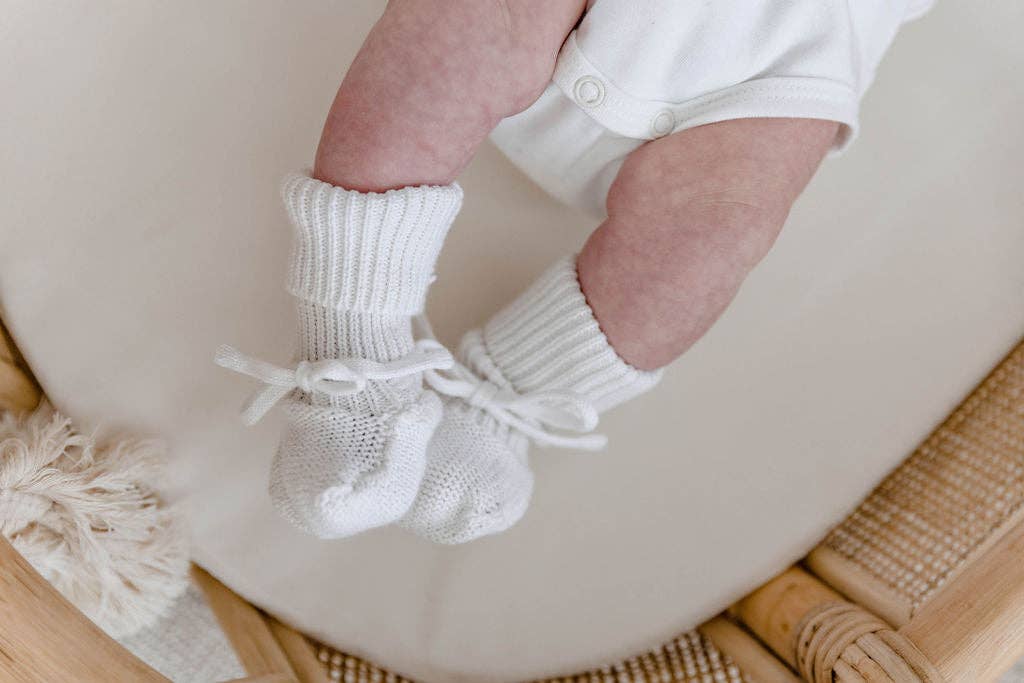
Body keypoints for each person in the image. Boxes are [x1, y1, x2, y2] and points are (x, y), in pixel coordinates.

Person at [218, 0, 933, 544]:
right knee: (465, 27)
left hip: (778, 60)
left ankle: (504, 399)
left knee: (724, 229)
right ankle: (351, 338)